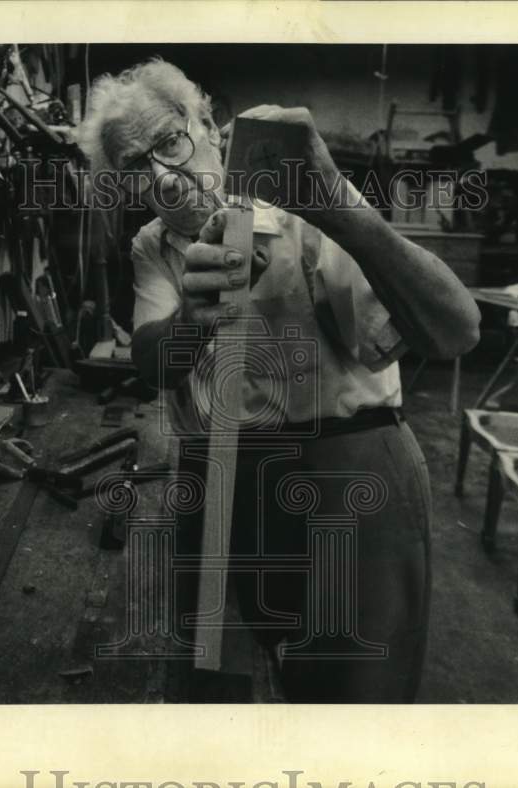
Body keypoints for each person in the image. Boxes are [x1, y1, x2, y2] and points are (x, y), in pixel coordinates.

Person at [80, 59, 480, 702]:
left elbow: (455, 333)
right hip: (220, 473)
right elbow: (152, 362)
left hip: (345, 467)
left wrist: (338, 211)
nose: (162, 178)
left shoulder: (300, 210)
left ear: (208, 125)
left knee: (352, 696)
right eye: (135, 167)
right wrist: (193, 317)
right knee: (217, 674)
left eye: (170, 142)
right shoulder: (152, 246)